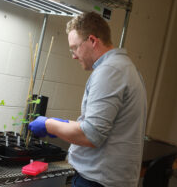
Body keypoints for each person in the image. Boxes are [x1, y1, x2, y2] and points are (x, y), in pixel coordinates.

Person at [29, 11, 147, 187]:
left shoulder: (110, 71)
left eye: (75, 47)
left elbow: (91, 135)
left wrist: (49, 125)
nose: (74, 55)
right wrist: (62, 124)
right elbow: (99, 125)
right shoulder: (125, 67)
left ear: (92, 40)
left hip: (98, 181)